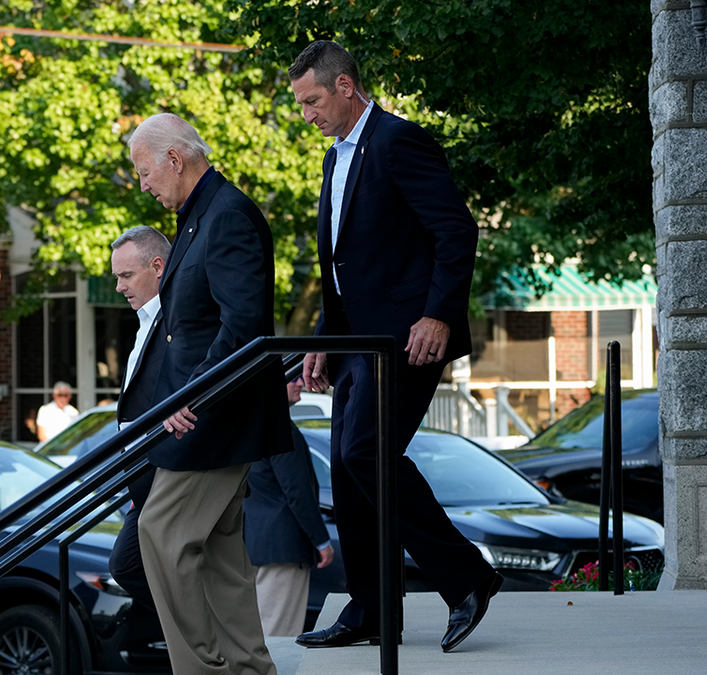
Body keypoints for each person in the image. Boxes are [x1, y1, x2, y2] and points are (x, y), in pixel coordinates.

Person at [287, 41, 500, 653]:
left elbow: (455, 230)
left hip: (408, 340)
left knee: (367, 452)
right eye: (301, 104)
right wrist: (323, 342)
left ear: (346, 86)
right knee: (352, 475)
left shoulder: (399, 142)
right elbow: (339, 261)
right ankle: (371, 610)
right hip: (356, 343)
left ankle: (468, 579)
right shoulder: (337, 158)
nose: (307, 114)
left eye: (313, 100)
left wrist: (437, 313)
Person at [128, 112, 292, 675]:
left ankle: (202, 670)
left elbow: (242, 325)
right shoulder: (202, 214)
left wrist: (190, 397)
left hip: (212, 418)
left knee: (158, 533)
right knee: (222, 555)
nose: (143, 185)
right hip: (206, 416)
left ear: (175, 159)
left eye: (145, 171)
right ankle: (249, 668)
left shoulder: (228, 215)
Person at [107, 225, 171, 613]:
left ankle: (199, 642)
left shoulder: (172, 321)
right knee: (129, 565)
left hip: (163, 472)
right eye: (117, 277)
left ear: (158, 266)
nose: (119, 287)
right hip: (143, 482)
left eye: (126, 276)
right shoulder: (146, 322)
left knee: (126, 563)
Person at [243, 380, 335, 637]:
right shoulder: (280, 428)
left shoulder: (253, 426)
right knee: (278, 634)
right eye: (292, 378)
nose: (301, 384)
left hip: (256, 544)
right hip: (284, 548)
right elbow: (297, 491)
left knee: (262, 629)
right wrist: (321, 541)